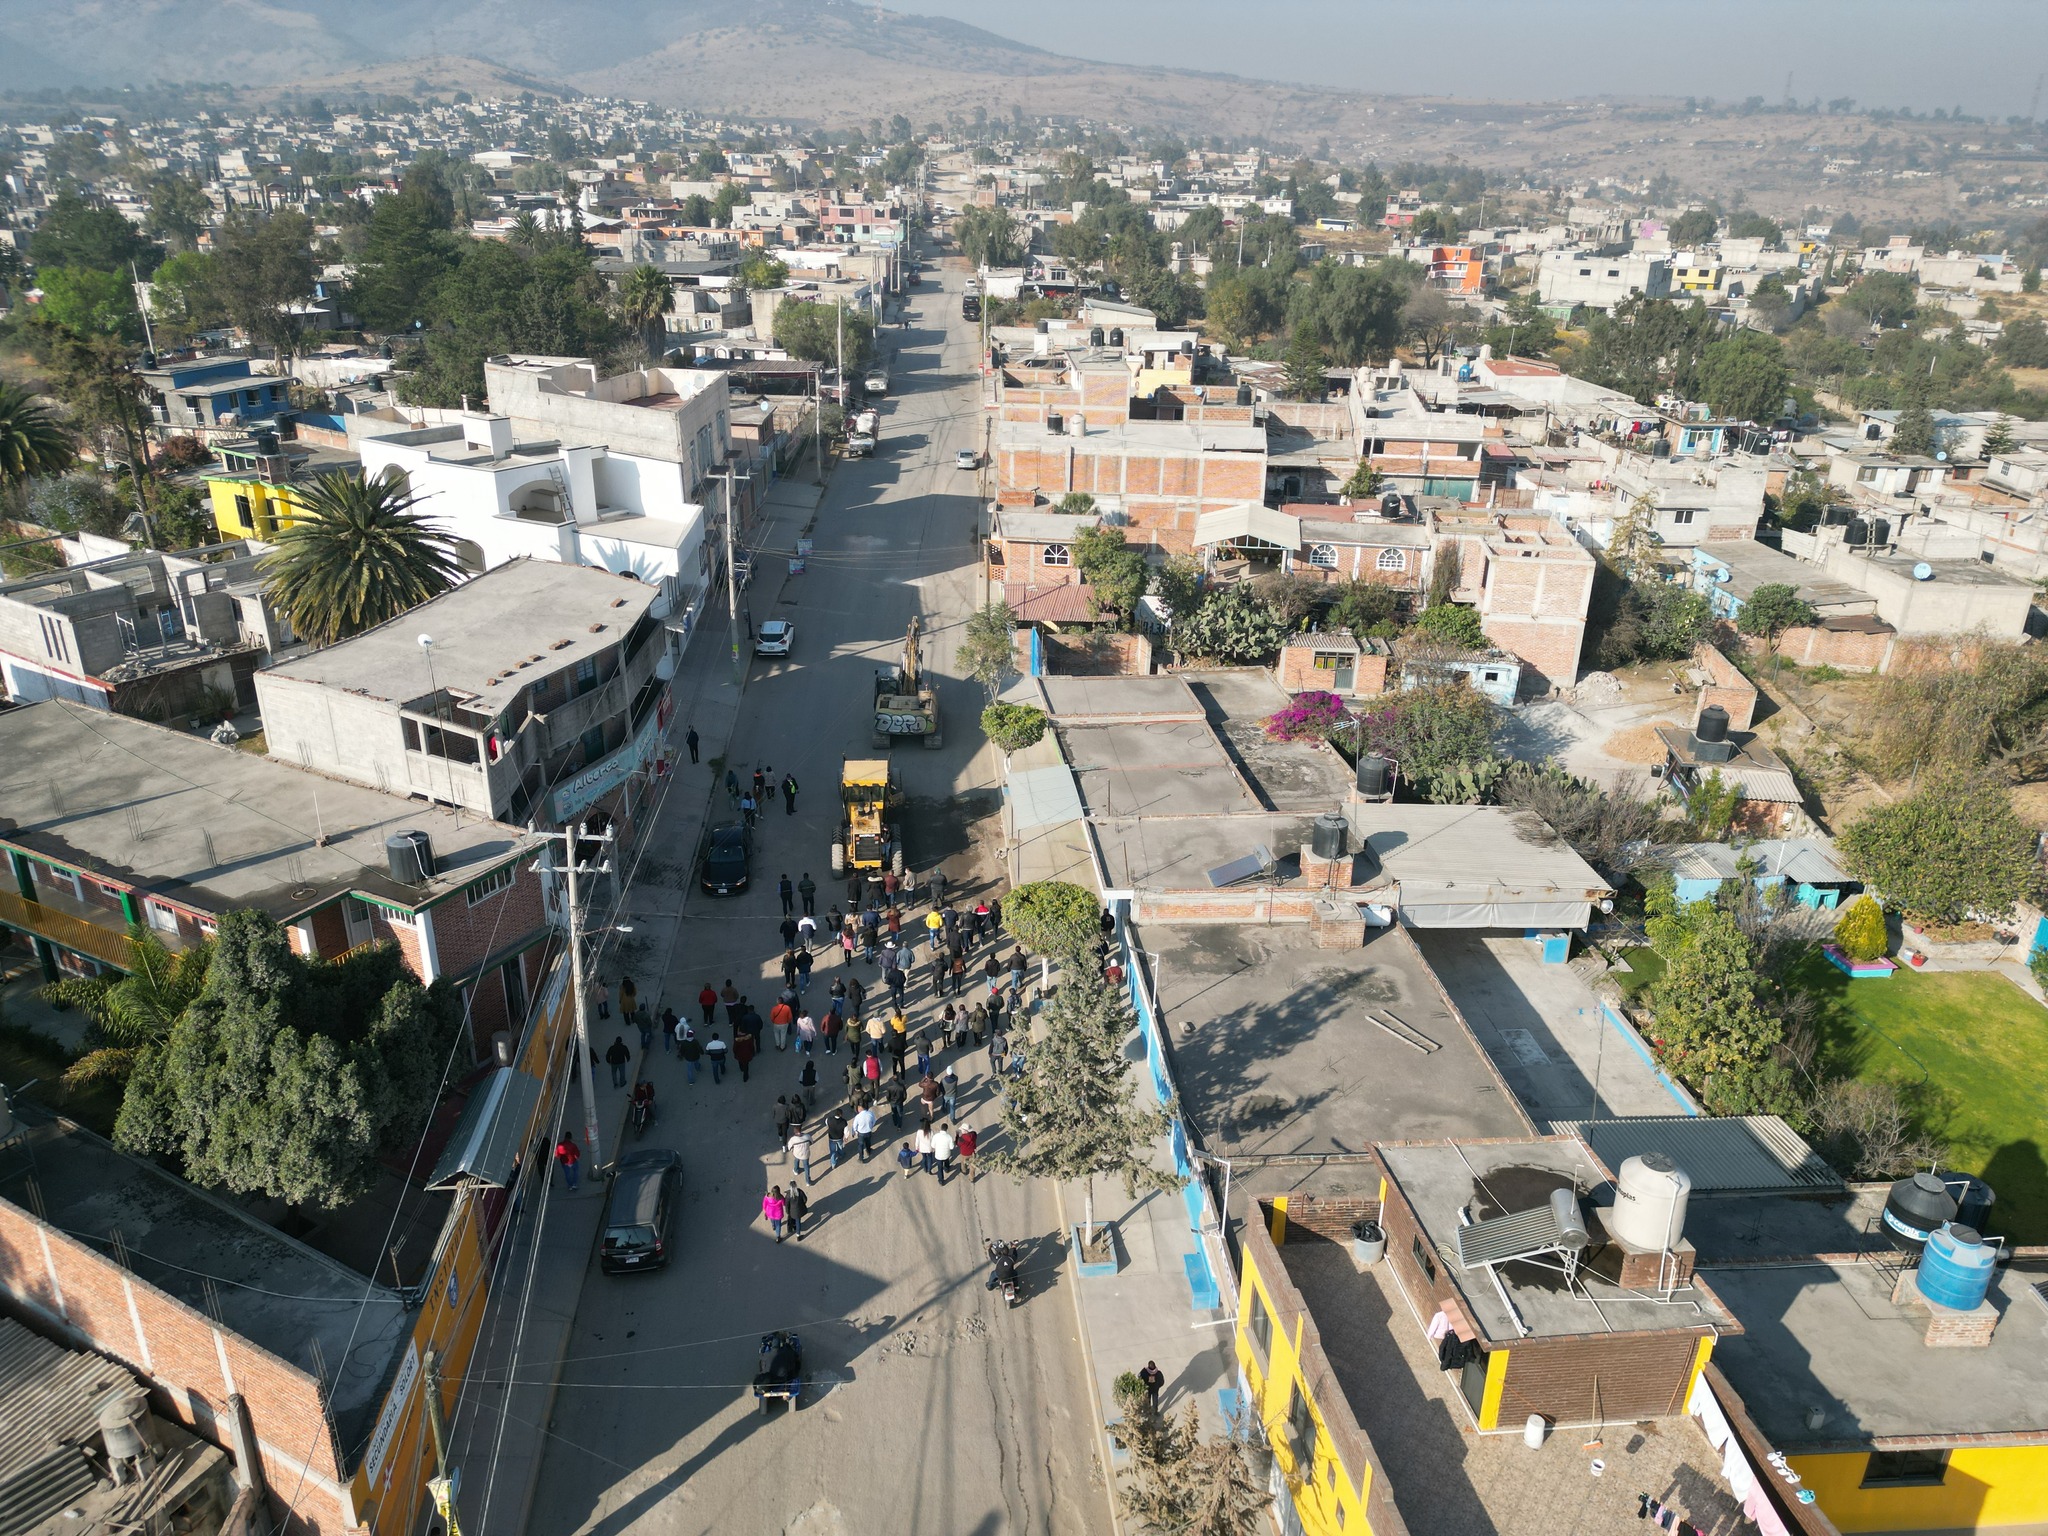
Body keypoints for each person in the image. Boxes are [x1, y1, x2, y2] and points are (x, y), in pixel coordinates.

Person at [930, 1121, 956, 1185]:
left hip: (938, 1155)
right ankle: (947, 1169)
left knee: (940, 1167)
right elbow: (952, 1147)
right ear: (946, 1129)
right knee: (946, 1161)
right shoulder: (949, 1137)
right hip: (946, 1154)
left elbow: (932, 1145)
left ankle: (941, 1180)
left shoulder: (936, 1136)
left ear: (941, 1128)